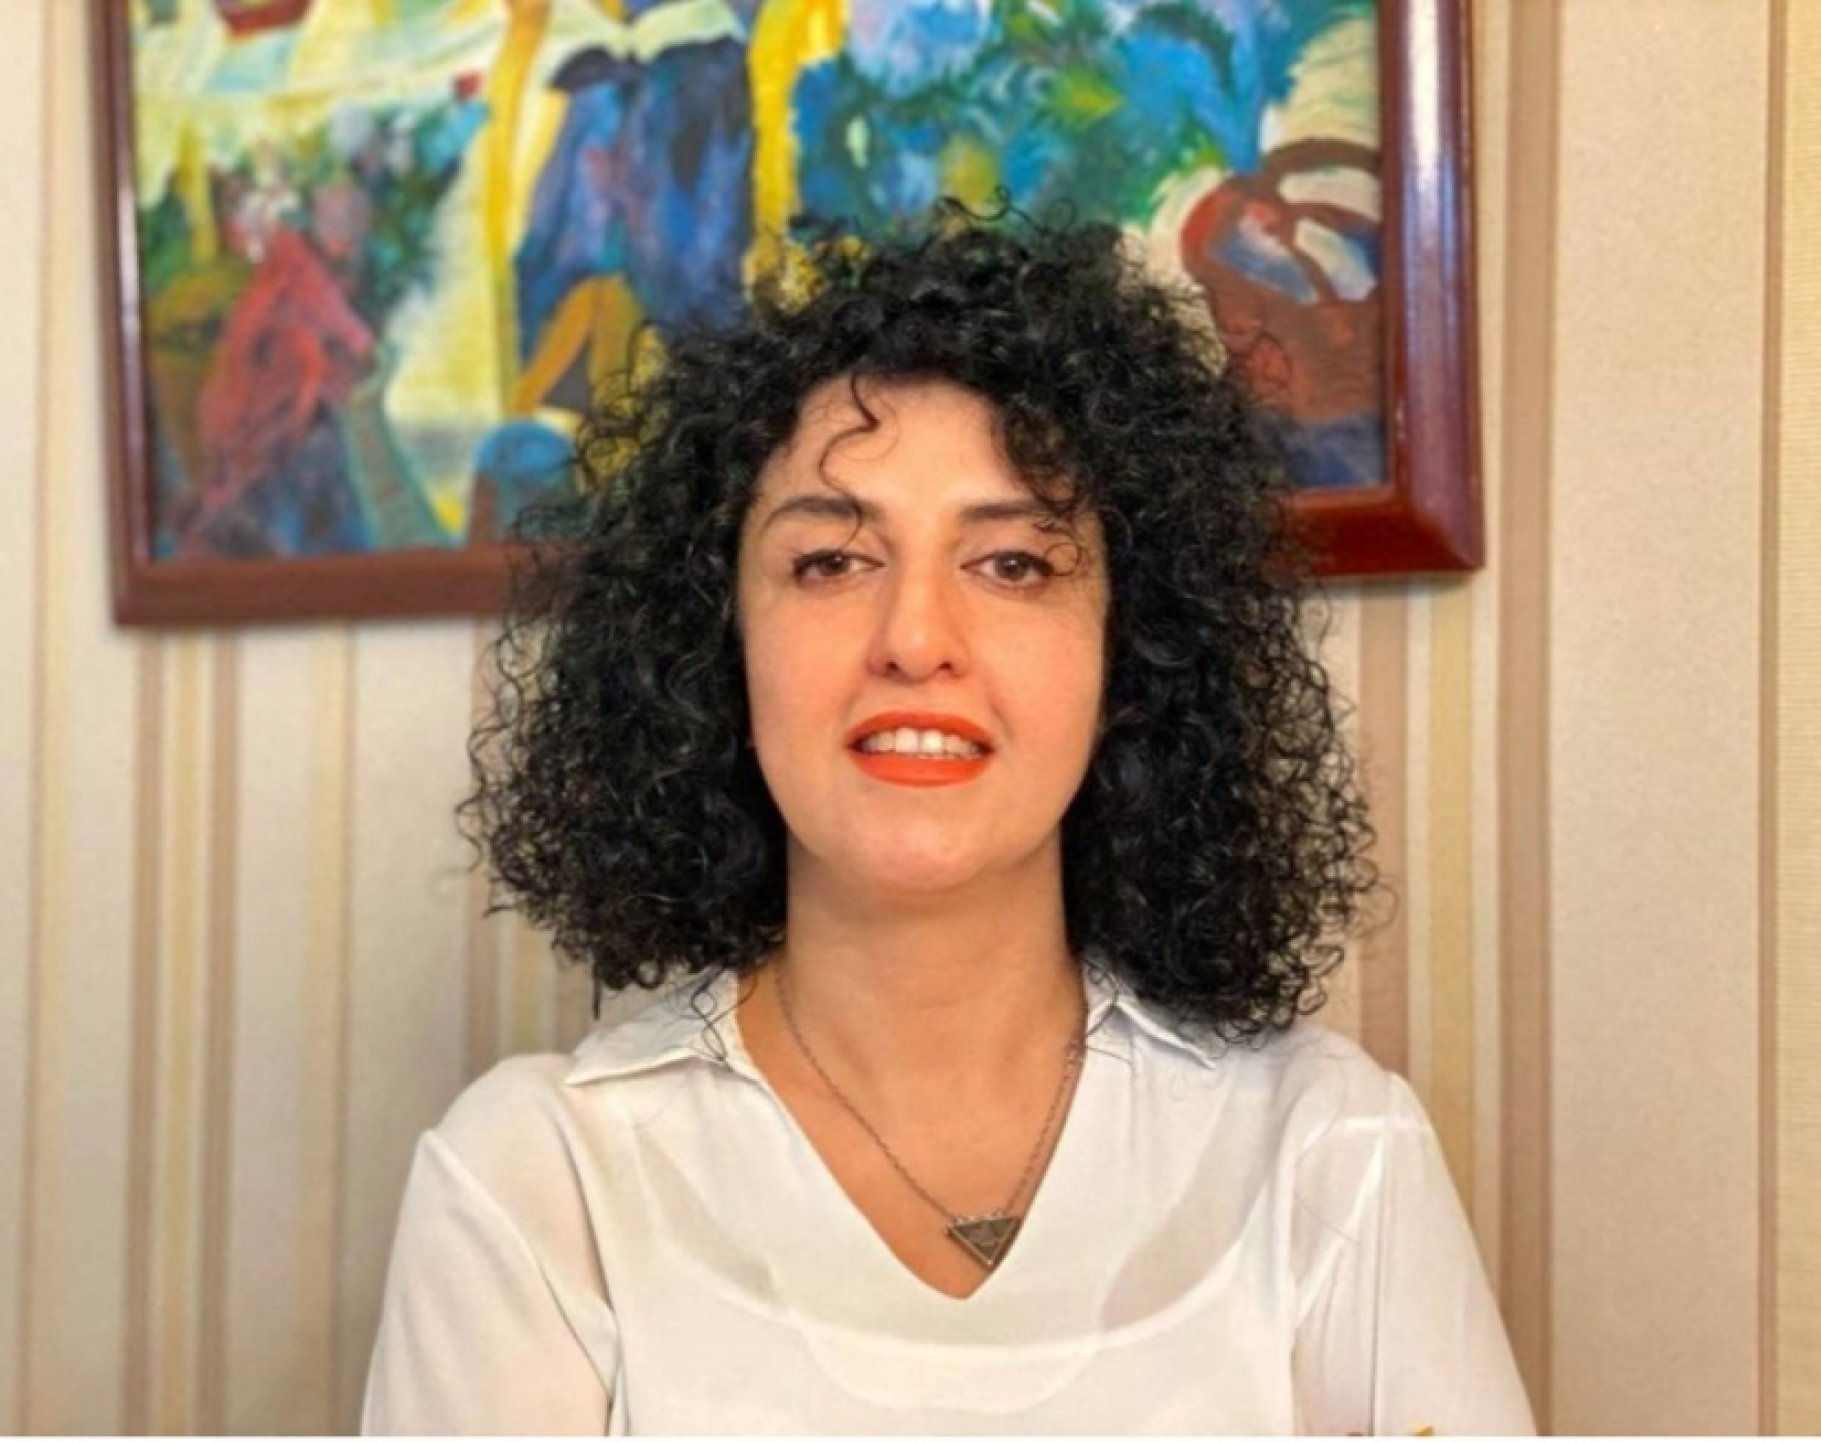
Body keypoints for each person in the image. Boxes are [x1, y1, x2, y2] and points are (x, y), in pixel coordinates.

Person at [360, 205, 1537, 1435]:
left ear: (1131, 653)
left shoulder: (1328, 1149)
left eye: (1014, 564)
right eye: (831, 562)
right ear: (717, 648)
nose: (915, 639)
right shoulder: (540, 1178)